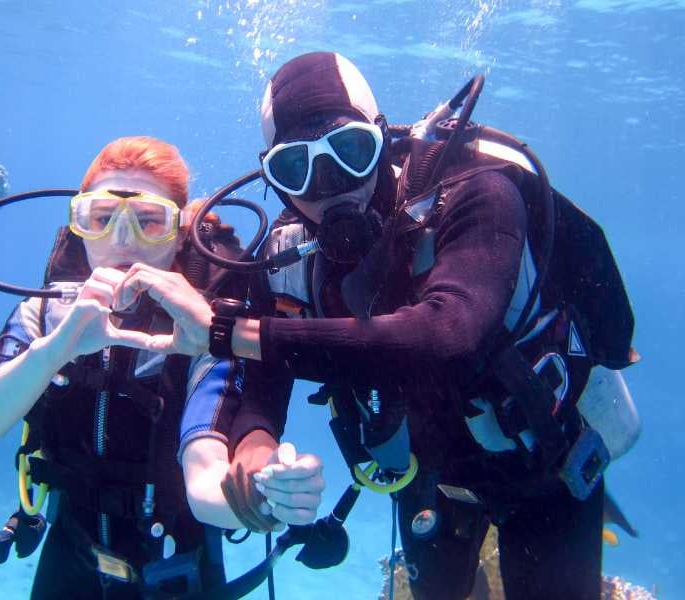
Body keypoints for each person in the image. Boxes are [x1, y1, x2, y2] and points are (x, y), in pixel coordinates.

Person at [108, 53, 638, 600]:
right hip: (425, 479)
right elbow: (264, 386)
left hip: (543, 472)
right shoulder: (291, 258)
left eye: (349, 152)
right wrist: (255, 450)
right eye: (297, 168)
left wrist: (227, 330)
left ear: (382, 140)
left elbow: (448, 335)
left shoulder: (476, 192)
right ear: (275, 177)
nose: (329, 185)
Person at [0, 136, 325, 599]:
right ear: (79, 225)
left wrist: (262, 497)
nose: (121, 240)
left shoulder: (201, 331)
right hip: (69, 561)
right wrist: (56, 349)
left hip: (177, 576)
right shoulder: (43, 315)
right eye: (102, 218)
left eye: (149, 222)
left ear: (178, 234)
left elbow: (206, 478)